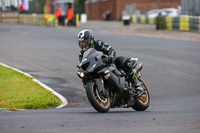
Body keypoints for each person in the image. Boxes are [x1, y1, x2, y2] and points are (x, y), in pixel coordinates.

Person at [77, 29, 143, 95]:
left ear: (90, 40)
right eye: (81, 42)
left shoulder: (98, 44)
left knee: (124, 63)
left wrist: (110, 56)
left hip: (109, 61)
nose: (82, 44)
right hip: (97, 67)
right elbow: (83, 63)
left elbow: (110, 50)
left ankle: (136, 83)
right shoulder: (82, 54)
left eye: (84, 42)